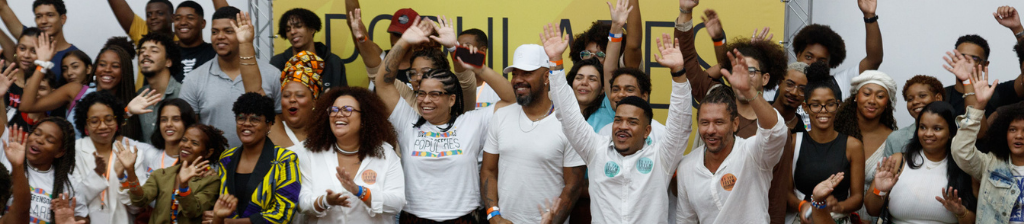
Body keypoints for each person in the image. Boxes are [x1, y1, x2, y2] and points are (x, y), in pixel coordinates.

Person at [546, 13, 693, 222]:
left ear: (647, 130)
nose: (622, 126)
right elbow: (568, 116)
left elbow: (681, 123)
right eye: (618, 120)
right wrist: (555, 64)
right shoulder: (596, 150)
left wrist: (679, 73)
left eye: (632, 122)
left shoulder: (662, 158)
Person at [374, 15, 515, 222]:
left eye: (434, 94)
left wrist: (467, 58)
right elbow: (383, 82)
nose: (425, 100)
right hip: (415, 218)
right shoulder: (407, 121)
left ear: (451, 100)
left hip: (463, 218)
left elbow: (512, 100)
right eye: (421, 93)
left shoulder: (471, 122)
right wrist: (404, 42)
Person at [676, 48, 787, 223]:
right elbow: (686, 220)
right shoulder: (687, 166)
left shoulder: (753, 153)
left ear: (735, 124)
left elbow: (776, 132)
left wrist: (750, 92)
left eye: (719, 122)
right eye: (705, 123)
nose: (711, 130)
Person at [480, 43, 586, 224]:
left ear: (547, 77)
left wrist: (553, 221)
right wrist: (493, 215)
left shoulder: (568, 123)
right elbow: (488, 170)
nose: (517, 80)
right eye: (515, 74)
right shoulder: (501, 117)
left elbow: (573, 185)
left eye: (527, 73)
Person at [298, 87, 405, 223]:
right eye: (334, 110)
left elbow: (397, 203)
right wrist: (325, 201)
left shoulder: (385, 153)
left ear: (364, 119)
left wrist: (360, 191)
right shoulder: (311, 152)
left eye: (347, 110)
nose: (338, 114)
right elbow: (301, 204)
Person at [179, 7, 283, 148]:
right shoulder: (194, 79)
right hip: (212, 167)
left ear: (242, 33)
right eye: (214, 32)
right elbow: (188, 132)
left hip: (263, 166)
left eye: (228, 31)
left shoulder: (272, 74)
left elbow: (281, 124)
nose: (220, 36)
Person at [864, 101, 978, 223]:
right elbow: (872, 210)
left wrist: (960, 212)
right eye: (922, 127)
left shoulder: (963, 167)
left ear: (950, 132)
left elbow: (976, 219)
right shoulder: (898, 161)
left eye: (937, 128)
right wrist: (879, 191)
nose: (928, 134)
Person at [346, 5, 477, 109]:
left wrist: (454, 48)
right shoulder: (408, 102)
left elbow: (466, 83)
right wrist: (404, 41)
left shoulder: (454, 103)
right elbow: (380, 77)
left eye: (425, 72)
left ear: (442, 75)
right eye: (413, 73)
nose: (418, 78)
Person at [20, 36, 140, 139]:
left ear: (125, 72)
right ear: (94, 68)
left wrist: (126, 113)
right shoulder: (76, 91)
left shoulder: (131, 105)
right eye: (102, 64)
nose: (107, 70)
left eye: (115, 66)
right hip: (72, 164)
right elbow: (27, 105)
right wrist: (42, 64)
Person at [208, 93, 300, 224]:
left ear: (268, 125)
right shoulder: (227, 158)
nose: (246, 124)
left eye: (254, 119)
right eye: (241, 118)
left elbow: (283, 214)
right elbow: (221, 203)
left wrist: (230, 223)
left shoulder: (284, 159)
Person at [790, 64, 865, 223]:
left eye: (830, 104)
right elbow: (785, 190)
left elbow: (858, 197)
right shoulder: (794, 142)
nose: (823, 110)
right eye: (816, 105)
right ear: (805, 107)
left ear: (838, 106)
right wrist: (802, 205)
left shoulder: (852, 145)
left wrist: (839, 206)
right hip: (804, 219)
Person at [72, 91, 159, 224]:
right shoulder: (74, 150)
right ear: (85, 126)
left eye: (109, 119)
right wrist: (96, 174)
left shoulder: (132, 152)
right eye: (94, 121)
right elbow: (75, 201)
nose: (103, 126)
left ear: (117, 121)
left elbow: (137, 208)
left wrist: (125, 176)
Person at [948, 69, 1016, 223]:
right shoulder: (990, 164)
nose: (1019, 135)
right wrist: (978, 107)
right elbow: (961, 152)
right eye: (1013, 130)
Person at [120, 123, 224, 224]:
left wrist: (184, 186)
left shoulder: (211, 180)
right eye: (184, 140)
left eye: (194, 143)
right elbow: (140, 200)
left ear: (208, 152)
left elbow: (193, 211)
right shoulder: (162, 174)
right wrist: (130, 170)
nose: (186, 145)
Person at [832, 70, 897, 222]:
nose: (872, 100)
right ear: (855, 96)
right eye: (867, 94)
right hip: (836, 215)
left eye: (880, 96)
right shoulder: (835, 133)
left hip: (873, 217)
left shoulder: (894, 139)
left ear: (887, 102)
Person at [789, 0, 883, 100]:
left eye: (821, 61)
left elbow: (874, 60)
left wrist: (870, 16)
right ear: (798, 55)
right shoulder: (782, 84)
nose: (813, 63)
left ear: (830, 64)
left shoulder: (841, 82)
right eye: (808, 57)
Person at [0, 0, 79, 83]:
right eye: (39, 16)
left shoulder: (75, 56)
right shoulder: (29, 39)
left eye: (50, 15)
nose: (43, 21)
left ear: (62, 19)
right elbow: (2, 7)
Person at [271, 8, 347, 89]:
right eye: (288, 30)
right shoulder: (278, 63)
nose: (292, 32)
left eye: (298, 26)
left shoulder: (333, 62)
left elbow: (343, 97)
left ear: (312, 29)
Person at [268, 51, 322, 157]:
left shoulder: (326, 133)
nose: (292, 99)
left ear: (314, 102)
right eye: (286, 95)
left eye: (300, 95)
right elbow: (255, 89)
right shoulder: (273, 129)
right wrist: (245, 43)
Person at [133, 32, 183, 144]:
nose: (145, 54)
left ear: (168, 61)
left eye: (154, 51)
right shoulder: (139, 95)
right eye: (142, 51)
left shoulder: (183, 93)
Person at [882, 75, 944, 157]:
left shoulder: (956, 133)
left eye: (922, 96)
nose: (915, 102)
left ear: (938, 98)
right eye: (910, 99)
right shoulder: (896, 139)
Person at [175, 1, 218, 77]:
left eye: (190, 18)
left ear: (202, 23)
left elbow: (228, 19)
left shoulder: (214, 52)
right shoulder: (167, 52)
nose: (183, 22)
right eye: (177, 18)